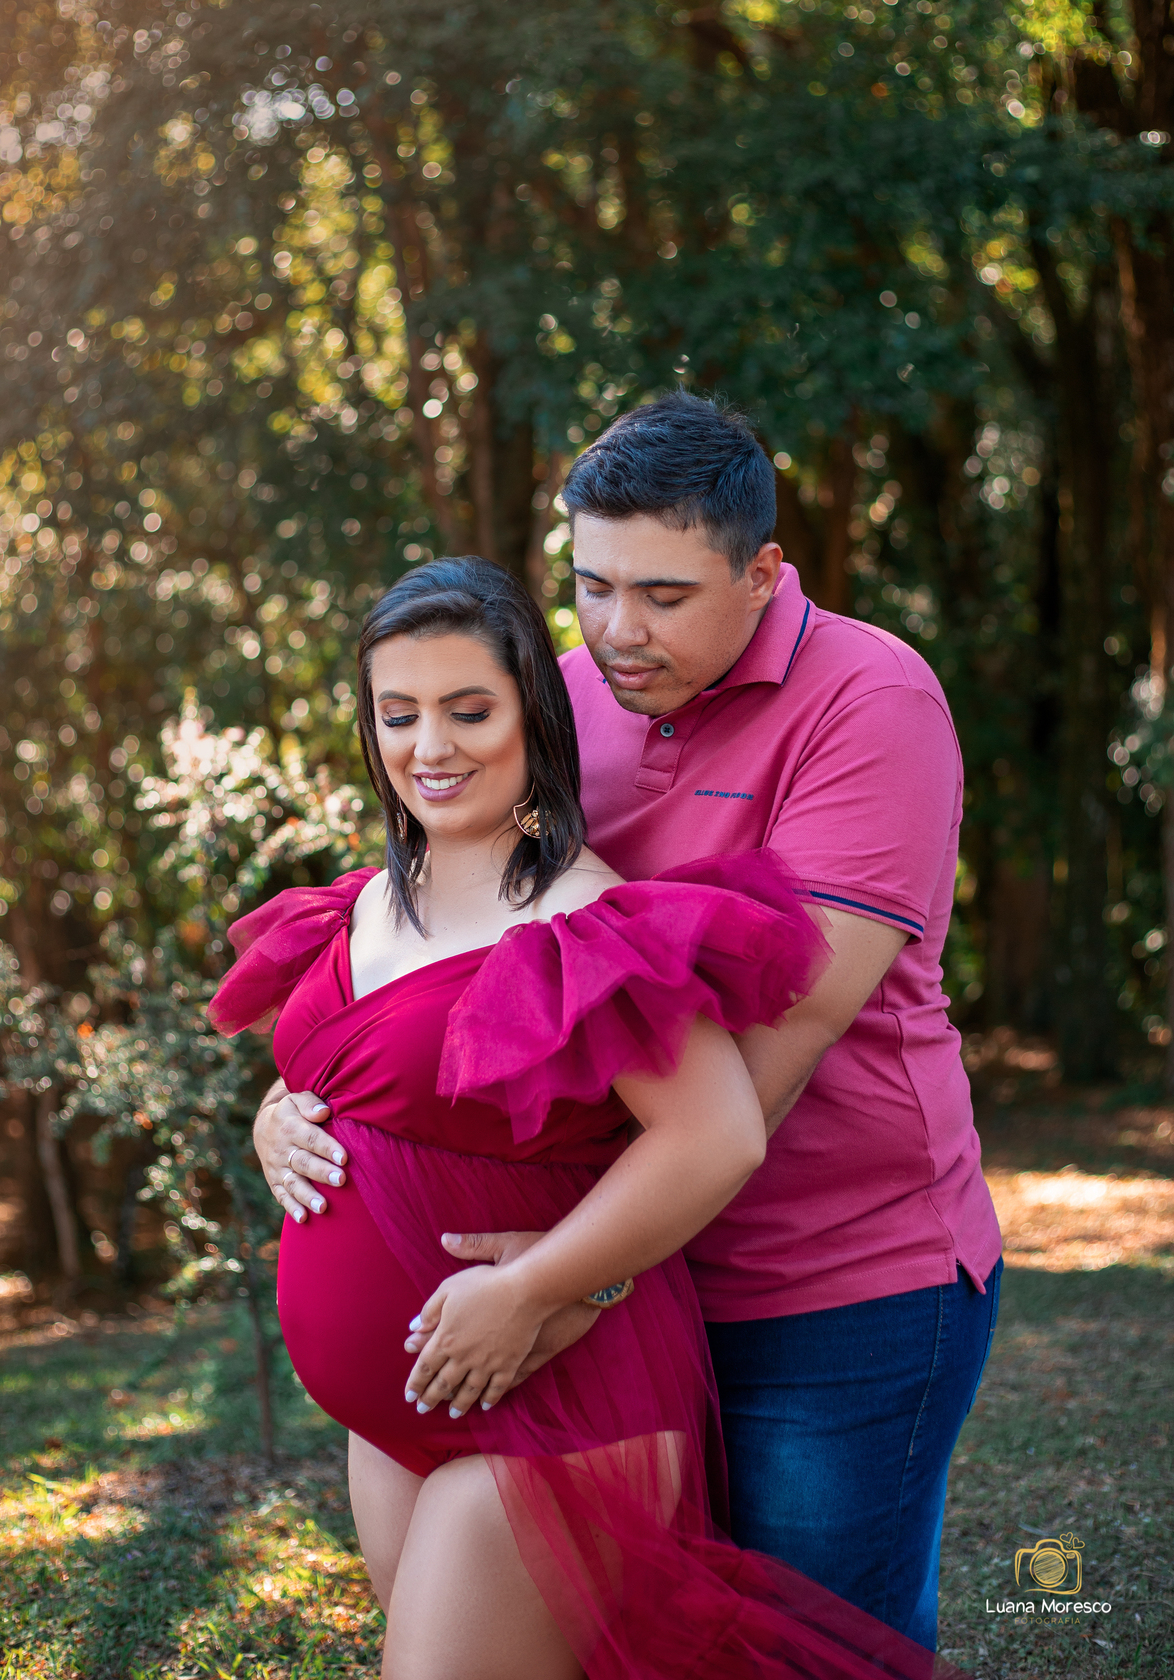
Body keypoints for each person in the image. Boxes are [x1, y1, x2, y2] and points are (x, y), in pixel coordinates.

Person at [254, 394, 1002, 1652]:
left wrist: (580, 1280)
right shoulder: (563, 693)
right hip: (625, 1279)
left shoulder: (872, 702)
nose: (615, 629)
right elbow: (465, 937)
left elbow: (778, 1048)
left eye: (662, 594)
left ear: (761, 573)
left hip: (827, 1278)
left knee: (807, 1648)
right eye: (592, 587)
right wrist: (301, 1103)